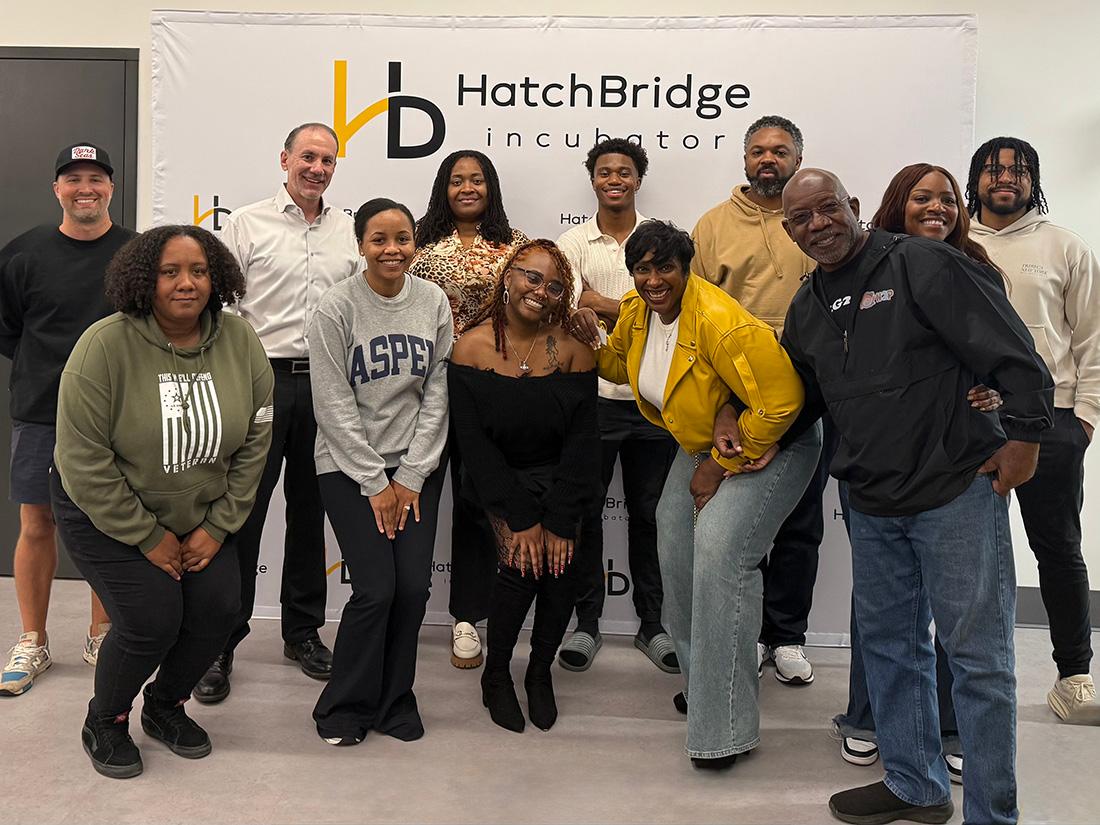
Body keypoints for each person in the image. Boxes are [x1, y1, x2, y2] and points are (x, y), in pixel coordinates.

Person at [778, 168, 1052, 825]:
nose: (817, 224)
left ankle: (992, 812)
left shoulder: (923, 263)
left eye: (827, 208)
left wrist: (1025, 437)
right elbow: (796, 398)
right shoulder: (807, 306)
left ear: (854, 206)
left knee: (978, 663)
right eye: (801, 219)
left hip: (954, 488)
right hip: (871, 503)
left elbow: (1012, 350)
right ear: (788, 230)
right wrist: (733, 419)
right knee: (891, 650)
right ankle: (915, 784)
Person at [574, 219, 821, 768]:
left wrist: (715, 465)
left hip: (770, 441)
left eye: (665, 267)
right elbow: (621, 367)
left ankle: (725, 726)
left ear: (687, 269)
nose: (654, 278)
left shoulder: (719, 321)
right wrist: (588, 337)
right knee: (675, 547)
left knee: (719, 556)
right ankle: (706, 684)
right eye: (643, 268)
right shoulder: (639, 313)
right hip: (705, 442)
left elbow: (782, 404)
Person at [52, 225, 273, 778]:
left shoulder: (241, 341)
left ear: (216, 277)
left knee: (220, 608)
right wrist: (147, 536)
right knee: (152, 618)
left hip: (199, 514)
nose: (186, 283)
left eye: (198, 271)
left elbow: (254, 441)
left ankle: (165, 706)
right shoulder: (104, 345)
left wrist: (218, 527)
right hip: (103, 511)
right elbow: (84, 459)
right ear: (144, 280)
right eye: (170, 271)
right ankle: (104, 719)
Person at [832, 162, 1005, 780]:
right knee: (884, 623)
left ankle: (953, 738)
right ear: (893, 207)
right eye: (922, 198)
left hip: (955, 477)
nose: (939, 208)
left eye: (949, 199)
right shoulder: (850, 283)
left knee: (968, 637)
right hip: (876, 480)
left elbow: (1005, 360)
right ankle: (872, 724)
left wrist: (1002, 413)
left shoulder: (978, 269)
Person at [195, 123, 361, 703]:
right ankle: (220, 642)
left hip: (327, 387)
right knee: (243, 513)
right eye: (308, 157)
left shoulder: (349, 231)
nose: (317, 168)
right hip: (261, 382)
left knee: (313, 510)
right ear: (285, 159)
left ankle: (302, 632)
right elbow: (220, 304)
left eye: (328, 160)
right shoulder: (245, 223)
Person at [308, 198, 452, 746]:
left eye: (403, 239)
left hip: (415, 469)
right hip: (347, 469)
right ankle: (343, 705)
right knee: (375, 589)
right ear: (361, 245)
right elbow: (333, 402)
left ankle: (395, 700)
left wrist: (411, 475)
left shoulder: (433, 300)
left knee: (413, 589)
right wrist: (375, 481)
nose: (392, 250)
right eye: (379, 240)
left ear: (415, 243)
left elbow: (437, 390)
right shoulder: (335, 307)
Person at [967, 136, 1098, 721]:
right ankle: (963, 677)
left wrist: (1085, 419)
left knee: (1059, 551)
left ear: (1032, 180)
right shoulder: (952, 242)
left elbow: (1092, 337)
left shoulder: (1064, 246)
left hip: (1054, 422)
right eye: (993, 169)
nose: (1005, 178)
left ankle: (1073, 675)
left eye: (1017, 171)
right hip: (970, 421)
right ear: (974, 179)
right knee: (966, 557)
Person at [691, 114, 824, 684]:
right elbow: (696, 315)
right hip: (737, 391)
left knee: (801, 518)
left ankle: (787, 636)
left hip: (816, 384)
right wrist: (722, 400)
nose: (768, 160)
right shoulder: (714, 224)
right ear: (744, 160)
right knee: (740, 520)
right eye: (758, 152)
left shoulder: (817, 221)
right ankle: (739, 639)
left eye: (779, 151)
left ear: (798, 158)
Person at [448, 239, 599, 733]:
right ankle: (496, 675)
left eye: (555, 286)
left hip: (559, 480)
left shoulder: (574, 351)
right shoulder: (470, 347)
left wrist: (557, 519)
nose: (542, 291)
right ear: (509, 276)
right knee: (520, 561)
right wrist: (522, 517)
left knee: (562, 564)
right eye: (532, 277)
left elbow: (582, 443)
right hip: (498, 483)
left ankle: (538, 673)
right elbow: (474, 447)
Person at [0, 143, 134, 695]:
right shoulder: (23, 253)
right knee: (37, 525)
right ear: (57, 188)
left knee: (107, 526)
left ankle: (101, 634)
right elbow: (9, 330)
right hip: (41, 412)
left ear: (110, 187)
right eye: (74, 178)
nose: (86, 188)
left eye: (97, 178)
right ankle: (33, 640)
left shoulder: (137, 253)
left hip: (116, 416)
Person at [554, 138, 678, 674]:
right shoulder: (572, 241)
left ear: (637, 179)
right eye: (604, 171)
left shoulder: (662, 238)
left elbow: (670, 301)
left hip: (654, 398)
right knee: (585, 514)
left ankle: (655, 627)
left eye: (624, 172)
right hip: (593, 398)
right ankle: (587, 624)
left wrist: (607, 304)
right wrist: (633, 302)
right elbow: (569, 304)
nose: (614, 179)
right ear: (593, 180)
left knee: (653, 516)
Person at [408, 149, 529, 671]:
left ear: (491, 186)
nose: (467, 188)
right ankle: (403, 609)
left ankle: (467, 618)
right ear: (443, 186)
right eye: (457, 180)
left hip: (490, 386)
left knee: (479, 502)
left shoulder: (516, 245)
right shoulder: (415, 242)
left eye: (477, 179)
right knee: (418, 494)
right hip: (424, 388)